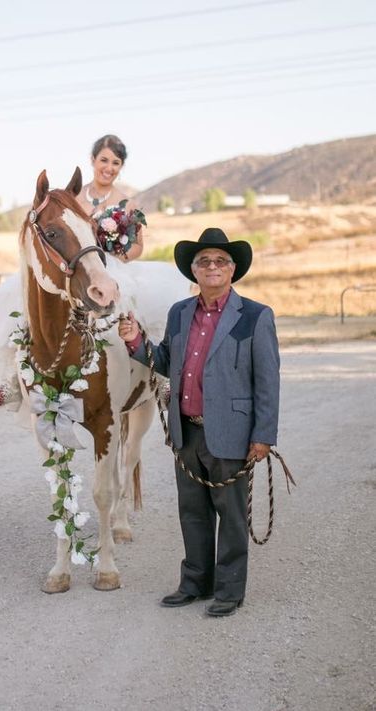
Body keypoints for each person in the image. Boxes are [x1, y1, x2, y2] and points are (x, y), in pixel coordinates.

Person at [118, 228, 280, 617]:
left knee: (232, 515)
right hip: (186, 429)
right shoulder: (180, 313)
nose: (212, 267)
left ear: (232, 269)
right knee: (192, 512)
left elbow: (268, 380)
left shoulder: (255, 316)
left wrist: (263, 435)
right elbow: (167, 363)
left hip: (233, 433)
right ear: (193, 270)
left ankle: (229, 590)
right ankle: (195, 582)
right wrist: (135, 340)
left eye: (220, 261)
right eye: (204, 261)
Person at [0, 134, 189, 408]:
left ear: (121, 166)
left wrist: (121, 250)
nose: (109, 167)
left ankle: (160, 376)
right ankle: (9, 380)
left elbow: (138, 247)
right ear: (93, 160)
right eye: (104, 160)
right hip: (73, 265)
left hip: (111, 264)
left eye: (116, 162)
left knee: (146, 303)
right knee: (18, 294)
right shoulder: (71, 197)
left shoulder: (128, 204)